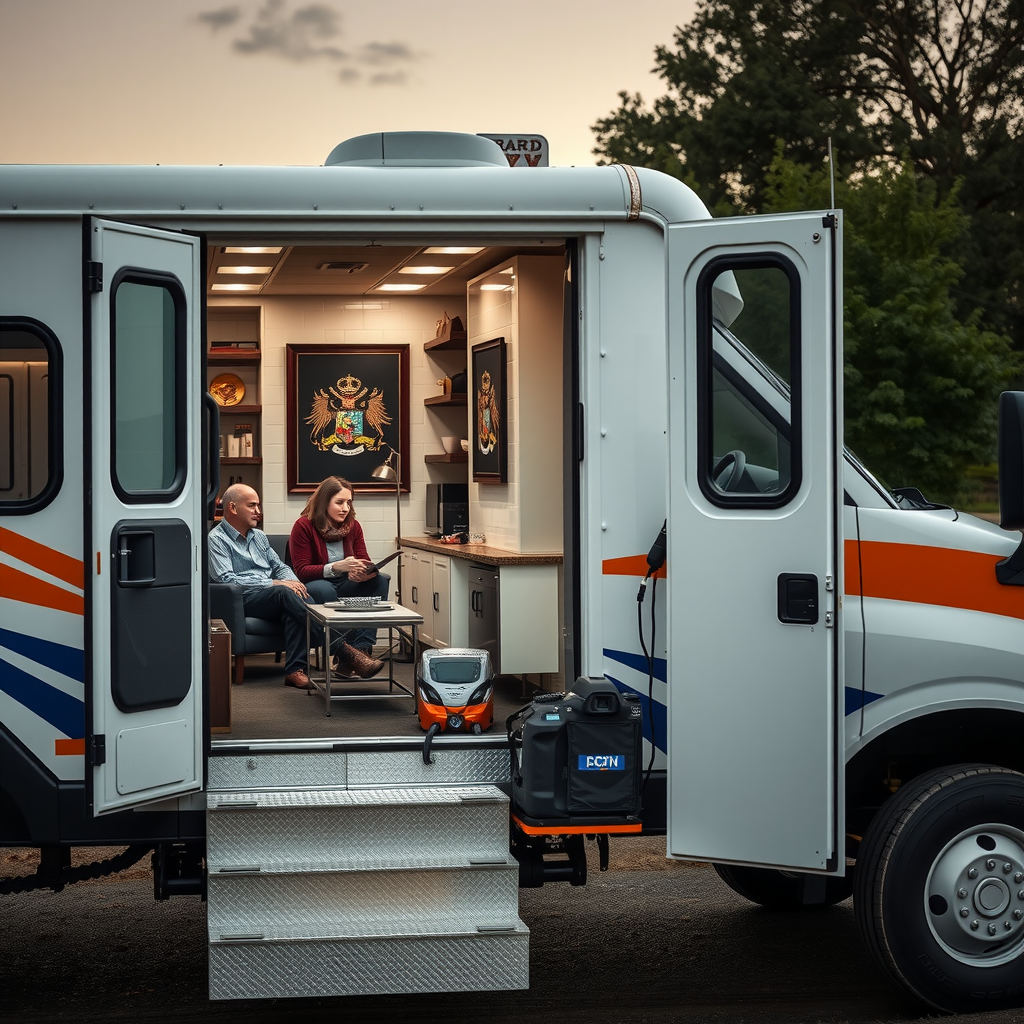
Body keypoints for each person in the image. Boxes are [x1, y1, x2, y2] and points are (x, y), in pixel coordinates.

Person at [208, 482, 324, 690]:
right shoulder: (216, 539)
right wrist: (272, 583)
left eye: (258, 506)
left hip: (272, 597)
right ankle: (339, 646)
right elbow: (226, 579)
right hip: (245, 599)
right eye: (252, 506)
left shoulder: (259, 536)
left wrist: (294, 582)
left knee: (292, 596)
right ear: (233, 508)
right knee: (283, 593)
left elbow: (279, 566)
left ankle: (294, 671)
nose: (258, 511)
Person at [289, 476, 388, 679]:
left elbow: (364, 559)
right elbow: (301, 570)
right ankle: (348, 655)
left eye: (348, 502)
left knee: (380, 580)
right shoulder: (303, 526)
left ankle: (360, 651)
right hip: (316, 583)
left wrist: (363, 571)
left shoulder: (354, 526)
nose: (345, 508)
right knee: (323, 589)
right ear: (324, 502)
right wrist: (336, 567)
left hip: (346, 583)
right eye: (339, 502)